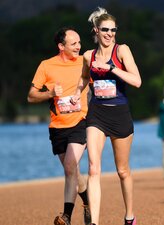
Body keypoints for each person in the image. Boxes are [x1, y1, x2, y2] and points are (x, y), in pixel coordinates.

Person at [71, 7, 141, 225]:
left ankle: (129, 215)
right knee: (93, 167)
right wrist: (76, 93)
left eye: (113, 30)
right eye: (105, 30)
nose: (110, 34)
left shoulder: (122, 51)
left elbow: (137, 81)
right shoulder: (88, 56)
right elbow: (84, 78)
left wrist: (111, 68)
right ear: (96, 30)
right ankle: (94, 222)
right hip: (97, 113)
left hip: (119, 114)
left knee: (122, 170)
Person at [27, 27, 91, 225]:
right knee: (74, 171)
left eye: (79, 42)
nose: (78, 47)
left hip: (81, 122)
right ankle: (88, 204)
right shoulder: (46, 66)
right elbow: (31, 96)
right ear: (61, 46)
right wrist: (50, 93)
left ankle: (66, 217)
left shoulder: (84, 62)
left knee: (71, 166)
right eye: (73, 44)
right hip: (57, 127)